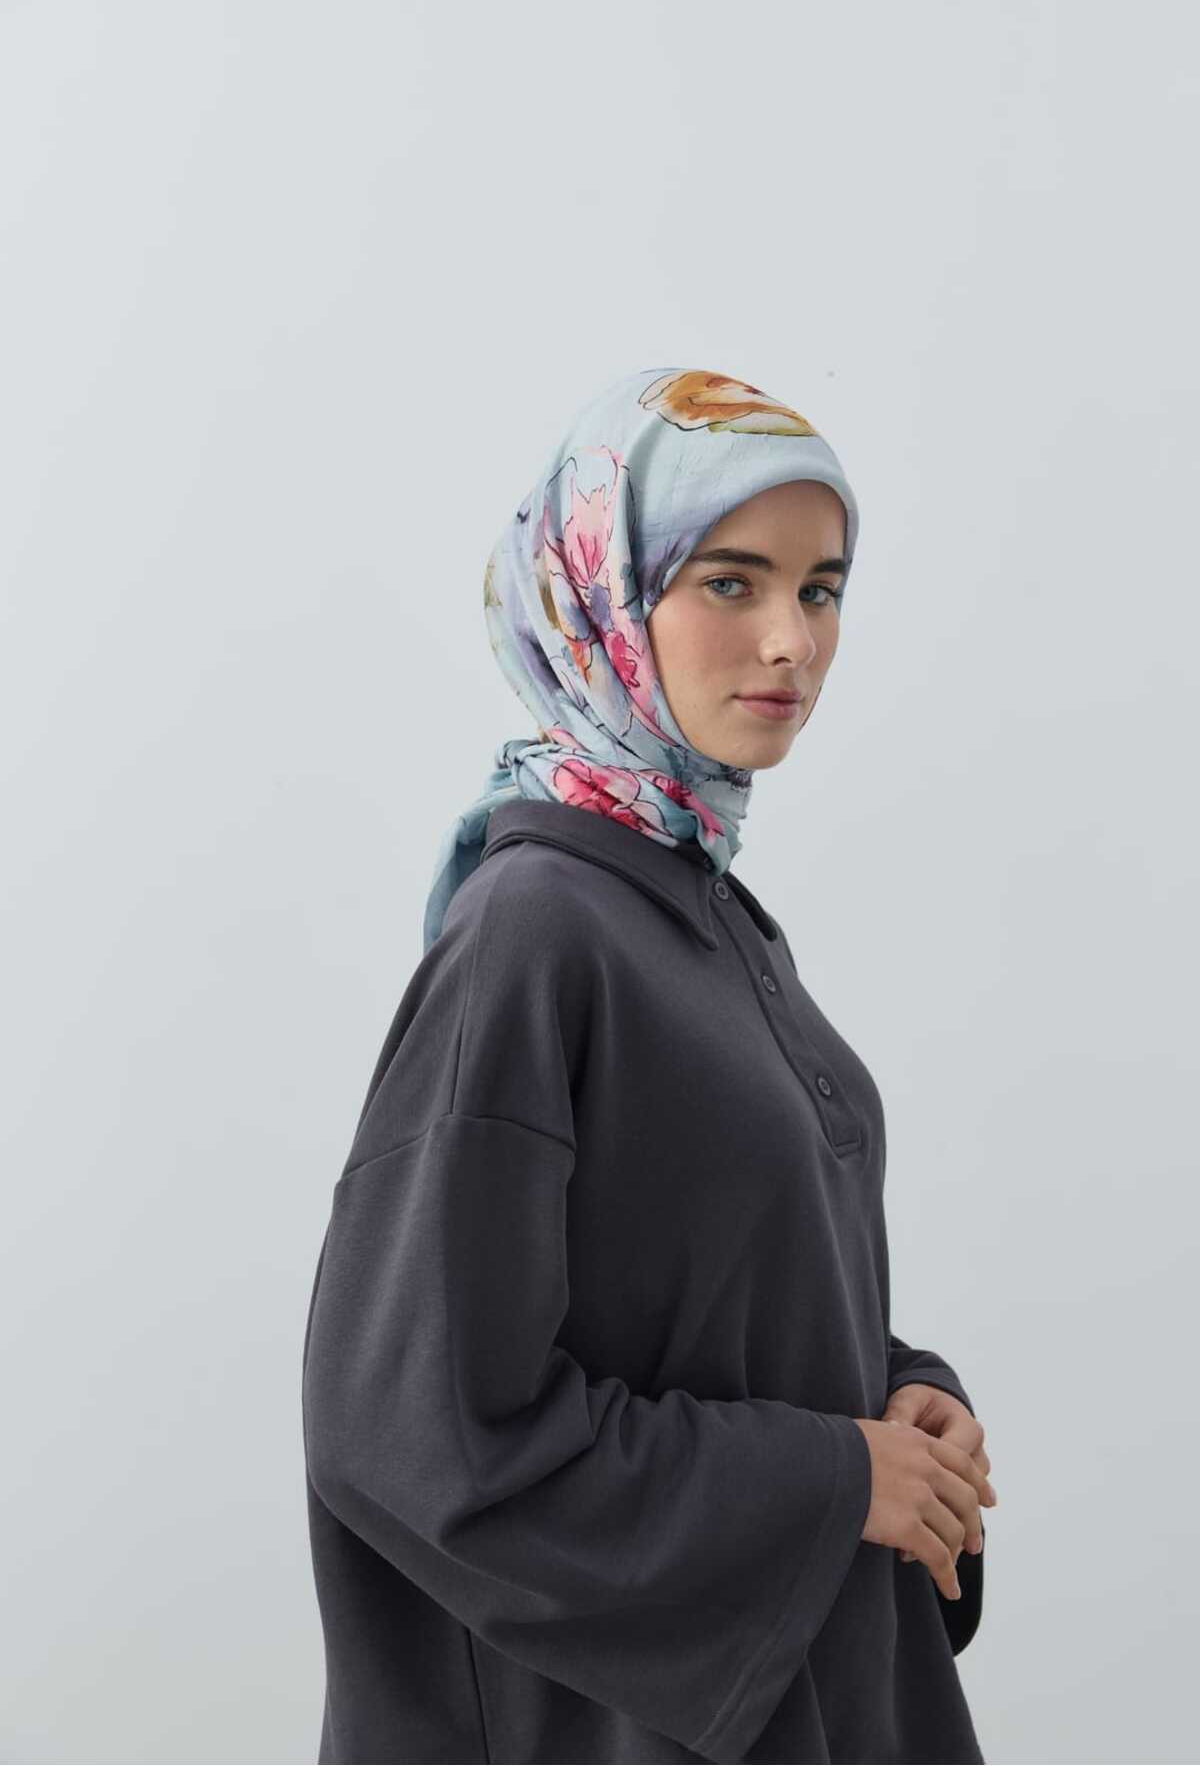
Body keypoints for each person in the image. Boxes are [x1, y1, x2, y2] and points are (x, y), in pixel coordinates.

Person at [301, 366, 997, 1764]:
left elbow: (697, 1303)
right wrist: (829, 1476)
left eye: (822, 589)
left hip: (810, 1690)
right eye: (730, 582)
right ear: (598, 599)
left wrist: (900, 1395)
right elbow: (415, 1427)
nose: (792, 641)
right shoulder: (534, 929)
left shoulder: (705, 911)